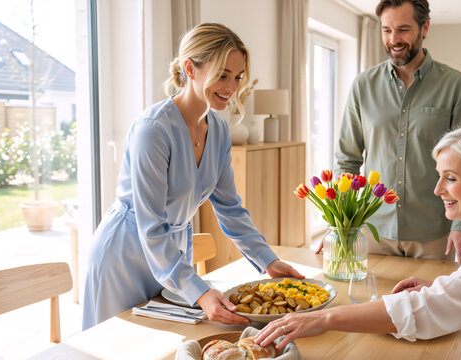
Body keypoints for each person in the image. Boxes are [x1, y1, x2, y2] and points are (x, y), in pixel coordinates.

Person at [256, 122, 461, 360]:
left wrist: (324, 318)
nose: (437, 190)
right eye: (439, 176)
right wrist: (445, 283)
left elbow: (424, 312)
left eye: (451, 178)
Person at [82, 23, 303, 330]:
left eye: (237, 76)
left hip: (171, 257)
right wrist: (199, 291)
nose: (232, 86)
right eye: (223, 74)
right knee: (117, 346)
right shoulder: (153, 130)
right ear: (190, 68)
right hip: (124, 257)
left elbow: (229, 207)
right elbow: (151, 226)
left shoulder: (220, 129)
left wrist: (268, 260)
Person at [331, 0, 461, 263]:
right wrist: (343, 224)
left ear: (425, 28)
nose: (393, 39)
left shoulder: (455, 85)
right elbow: (347, 160)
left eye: (403, 29)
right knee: (370, 302)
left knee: (430, 305)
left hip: (434, 234)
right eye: (386, 30)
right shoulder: (363, 86)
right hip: (373, 230)